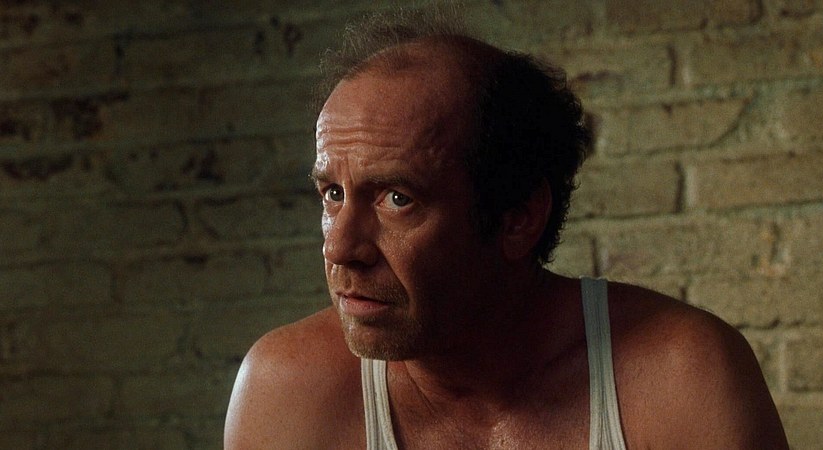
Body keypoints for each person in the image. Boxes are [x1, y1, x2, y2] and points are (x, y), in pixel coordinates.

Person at [224, 11, 789, 450]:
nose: (340, 247)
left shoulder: (680, 378)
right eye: (332, 194)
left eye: (398, 199)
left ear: (518, 217)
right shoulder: (287, 393)